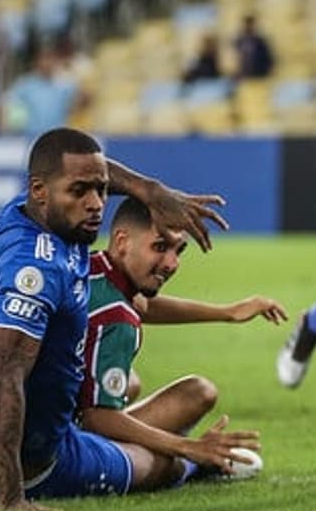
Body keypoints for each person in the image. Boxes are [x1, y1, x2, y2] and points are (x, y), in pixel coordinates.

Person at [0, 127, 233, 511]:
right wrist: (11, 498)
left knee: (126, 383)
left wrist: (149, 190)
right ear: (40, 191)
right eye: (80, 192)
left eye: (101, 190)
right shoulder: (36, 274)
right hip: (17, 466)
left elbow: (86, 173)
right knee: (163, 468)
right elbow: (1, 381)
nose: (95, 204)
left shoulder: (25, 215)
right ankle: (204, 463)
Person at [77, 196, 286, 481]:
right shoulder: (116, 318)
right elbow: (97, 418)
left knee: (150, 385)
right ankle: (192, 468)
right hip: (63, 445)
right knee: (167, 447)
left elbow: (143, 305)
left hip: (20, 422)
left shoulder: (91, 266)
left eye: (179, 250)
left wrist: (229, 312)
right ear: (123, 241)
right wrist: (188, 448)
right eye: (160, 247)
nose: (172, 264)